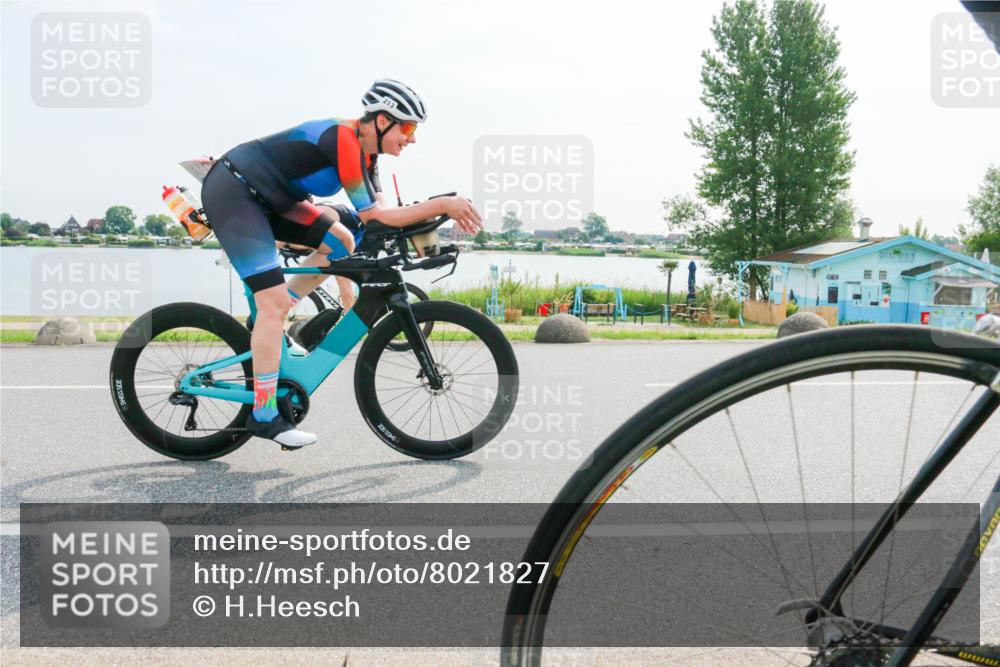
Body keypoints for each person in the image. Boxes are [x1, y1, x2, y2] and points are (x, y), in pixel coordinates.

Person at [200, 79, 483, 448]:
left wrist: (425, 221)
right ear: (382, 121)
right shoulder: (344, 139)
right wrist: (443, 204)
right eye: (408, 128)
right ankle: (265, 415)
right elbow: (375, 217)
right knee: (273, 305)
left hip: (275, 200)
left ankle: (273, 313)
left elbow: (383, 216)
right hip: (236, 192)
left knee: (341, 241)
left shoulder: (369, 158)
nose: (412, 139)